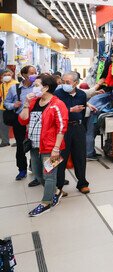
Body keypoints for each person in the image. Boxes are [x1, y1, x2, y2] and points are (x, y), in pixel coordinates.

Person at [18, 73, 68, 217]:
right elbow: (22, 120)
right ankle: (56, 192)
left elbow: (62, 128)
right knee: (38, 174)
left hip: (52, 147)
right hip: (34, 145)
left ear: (46, 87)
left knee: (49, 176)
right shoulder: (34, 102)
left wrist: (56, 148)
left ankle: (46, 203)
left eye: (36, 85)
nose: (33, 88)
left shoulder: (57, 104)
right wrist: (26, 104)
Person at [4, 65, 37, 180]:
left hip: (35, 121)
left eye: (35, 72)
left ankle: (35, 167)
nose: (34, 75)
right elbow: (6, 103)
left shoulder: (38, 87)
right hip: (20, 121)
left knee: (36, 145)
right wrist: (14, 105)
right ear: (24, 75)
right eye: (31, 73)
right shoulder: (14, 88)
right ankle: (22, 170)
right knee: (20, 146)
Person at [0, 69, 18, 147]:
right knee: (2, 124)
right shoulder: (2, 85)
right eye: (5, 75)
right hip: (3, 107)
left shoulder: (16, 84)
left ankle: (18, 140)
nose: (7, 76)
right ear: (2, 76)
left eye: (9, 75)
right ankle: (5, 141)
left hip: (14, 107)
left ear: (12, 74)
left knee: (16, 125)